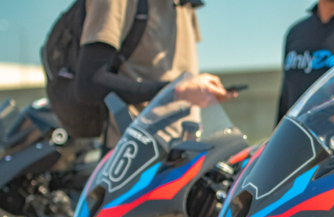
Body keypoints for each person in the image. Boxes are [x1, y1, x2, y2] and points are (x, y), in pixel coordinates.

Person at [75, 0, 236, 146]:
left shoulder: (185, 4)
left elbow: (177, 67)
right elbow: (89, 84)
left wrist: (198, 88)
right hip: (134, 152)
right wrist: (179, 90)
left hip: (184, 148)